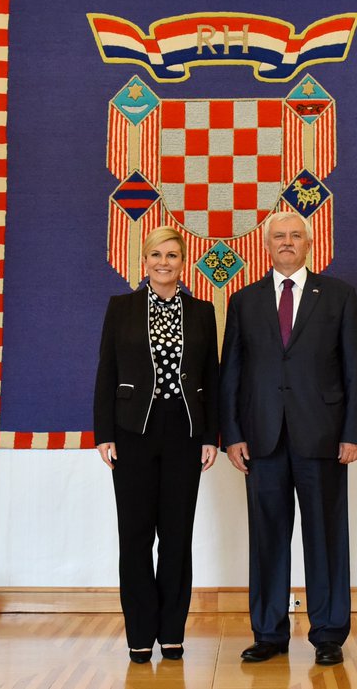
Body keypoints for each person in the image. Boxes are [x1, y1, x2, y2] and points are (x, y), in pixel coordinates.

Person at [219, 211, 357, 666]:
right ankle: (269, 633)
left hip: (323, 437)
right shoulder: (244, 300)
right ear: (266, 245)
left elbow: (355, 368)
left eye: (295, 235)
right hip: (261, 438)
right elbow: (231, 373)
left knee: (325, 536)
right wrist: (232, 434)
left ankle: (328, 634)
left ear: (309, 243)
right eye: (279, 236)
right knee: (267, 538)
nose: (287, 242)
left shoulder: (338, 295)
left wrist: (353, 432)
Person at [94, 226, 220, 663]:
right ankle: (140, 633)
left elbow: (212, 378)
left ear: (183, 262)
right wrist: (104, 433)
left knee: (176, 536)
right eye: (156, 255)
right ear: (144, 260)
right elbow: (106, 372)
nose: (164, 263)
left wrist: (211, 436)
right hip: (132, 433)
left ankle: (171, 632)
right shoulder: (122, 307)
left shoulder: (202, 311)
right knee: (135, 536)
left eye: (172, 255)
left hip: (185, 433)